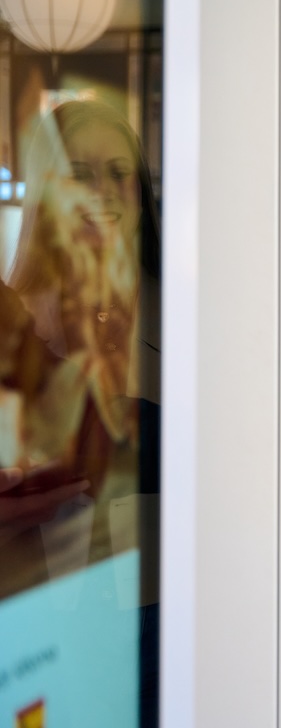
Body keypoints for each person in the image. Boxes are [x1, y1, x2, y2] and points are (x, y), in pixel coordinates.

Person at [2, 98, 161, 600]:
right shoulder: (9, 318)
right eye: (79, 173)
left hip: (169, 604)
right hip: (45, 605)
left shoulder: (189, 316)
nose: (101, 192)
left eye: (119, 173)